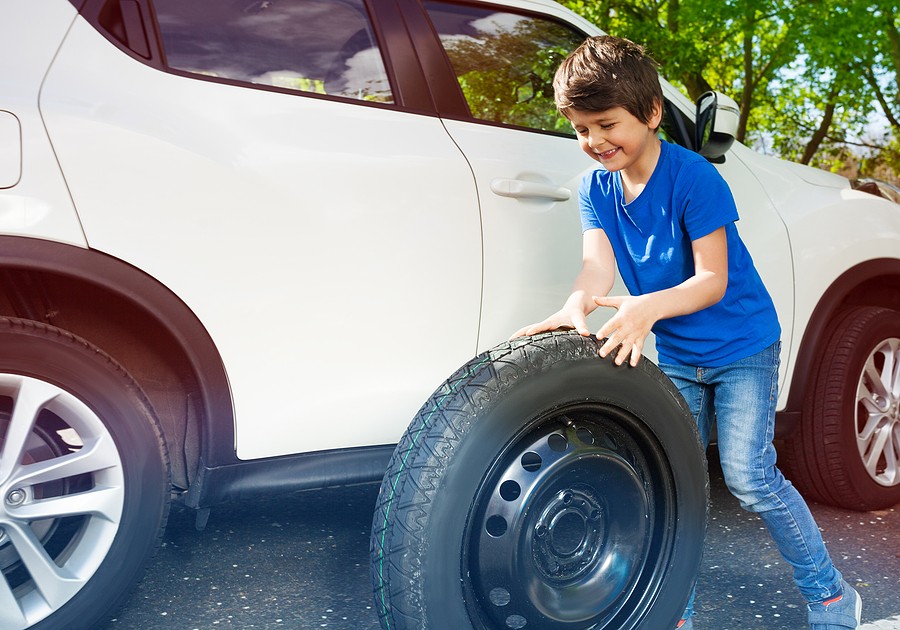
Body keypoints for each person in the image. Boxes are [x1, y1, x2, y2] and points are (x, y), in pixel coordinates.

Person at [511, 35, 861, 630]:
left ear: (650, 114)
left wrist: (644, 310)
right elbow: (598, 266)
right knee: (673, 484)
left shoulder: (694, 178)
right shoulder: (596, 190)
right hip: (679, 356)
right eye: (580, 129)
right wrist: (577, 303)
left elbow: (712, 281)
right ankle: (676, 614)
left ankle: (829, 594)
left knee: (750, 477)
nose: (594, 142)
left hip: (742, 346)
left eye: (606, 124)